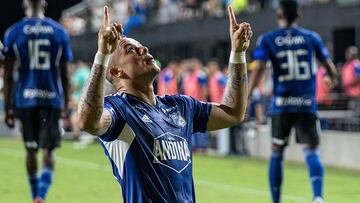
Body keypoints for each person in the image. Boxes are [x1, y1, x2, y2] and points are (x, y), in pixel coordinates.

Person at [78, 5, 251, 202]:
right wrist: (102, 55)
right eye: (130, 50)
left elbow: (233, 113)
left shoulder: (181, 106)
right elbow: (87, 121)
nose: (143, 49)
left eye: (141, 46)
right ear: (117, 72)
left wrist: (238, 53)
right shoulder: (119, 111)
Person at [248, 1, 337, 203]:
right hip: (306, 103)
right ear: (298, 14)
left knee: (277, 152)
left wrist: (246, 97)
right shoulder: (311, 37)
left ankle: (276, 200)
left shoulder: (268, 39)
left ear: (279, 14)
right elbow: (329, 67)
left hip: (281, 105)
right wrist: (331, 78)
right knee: (311, 150)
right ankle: (317, 197)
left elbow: (259, 69)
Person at [2, 0, 73, 202]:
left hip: (25, 100)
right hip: (51, 99)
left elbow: (7, 76)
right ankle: (41, 195)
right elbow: (65, 75)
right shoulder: (59, 32)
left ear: (24, 5)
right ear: (44, 4)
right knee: (48, 151)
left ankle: (35, 194)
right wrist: (66, 105)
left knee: (31, 150)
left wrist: (8, 108)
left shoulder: (14, 32)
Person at [342, 46, 360, 116]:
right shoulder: (346, 65)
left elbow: (358, 77)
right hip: (348, 94)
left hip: (357, 95)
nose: (347, 55)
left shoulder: (356, 64)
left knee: (356, 115)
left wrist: (348, 84)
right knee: (350, 116)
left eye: (349, 53)